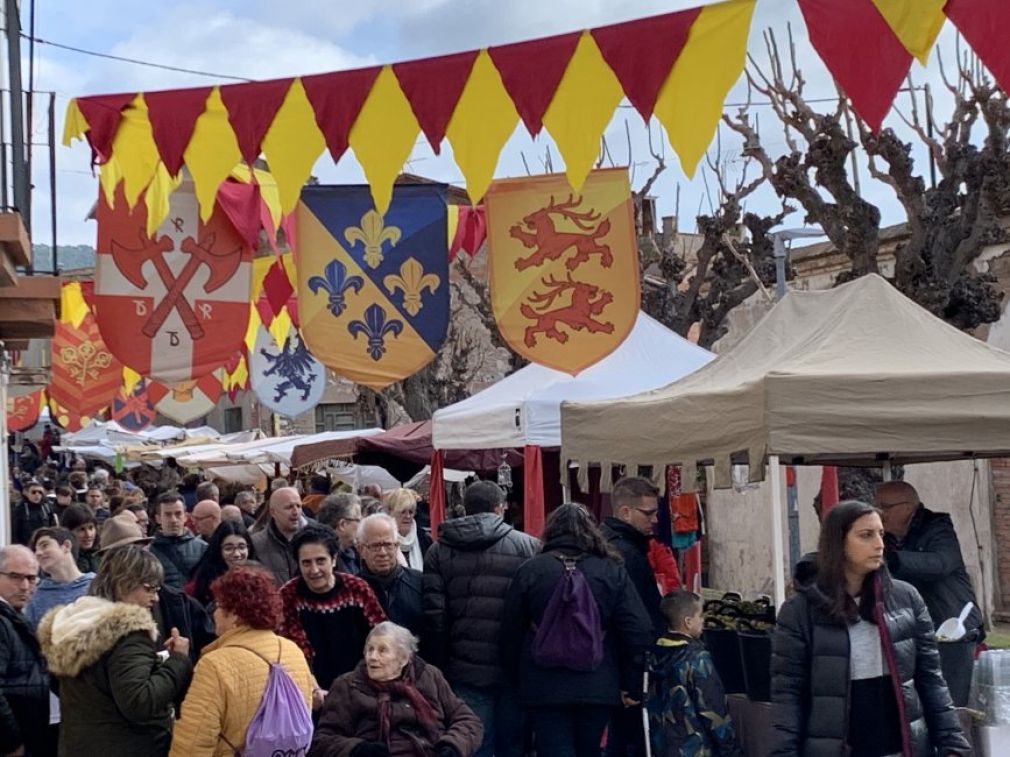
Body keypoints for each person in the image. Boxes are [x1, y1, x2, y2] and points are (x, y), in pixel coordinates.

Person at [770, 500, 970, 756]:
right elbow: (787, 695)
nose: (879, 544)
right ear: (838, 542)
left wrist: (952, 743)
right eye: (866, 535)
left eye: (881, 534)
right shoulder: (800, 611)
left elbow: (931, 681)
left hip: (901, 748)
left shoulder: (906, 598)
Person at [501, 503, 653, 757]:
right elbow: (639, 629)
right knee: (589, 749)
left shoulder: (531, 570)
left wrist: (517, 680)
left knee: (553, 748)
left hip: (543, 684)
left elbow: (510, 632)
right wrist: (630, 683)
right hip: (598, 681)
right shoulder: (611, 570)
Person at [38, 545, 194, 756]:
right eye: (149, 588)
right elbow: (140, 702)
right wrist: (178, 661)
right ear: (123, 583)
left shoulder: (73, 624)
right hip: (128, 745)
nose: (156, 598)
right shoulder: (127, 633)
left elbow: (62, 685)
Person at [423, 480, 539, 757]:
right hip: (513, 666)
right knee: (513, 744)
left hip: (463, 667)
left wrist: (439, 665)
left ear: (466, 508)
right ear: (500, 508)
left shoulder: (438, 551)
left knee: (473, 741)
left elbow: (435, 616)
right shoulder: (528, 547)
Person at [169, 567, 313, 757]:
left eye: (219, 605)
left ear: (235, 613)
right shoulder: (292, 651)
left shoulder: (215, 665)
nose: (214, 613)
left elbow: (194, 741)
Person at [876, 480, 984, 707]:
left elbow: (940, 563)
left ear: (907, 507)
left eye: (885, 507)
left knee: (951, 705)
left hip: (953, 629)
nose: (880, 514)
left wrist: (894, 560)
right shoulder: (883, 538)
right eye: (877, 507)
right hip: (913, 631)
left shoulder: (937, 526)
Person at [311, 621, 483, 757]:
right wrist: (357, 749)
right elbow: (323, 741)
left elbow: (468, 721)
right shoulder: (347, 685)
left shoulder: (429, 676)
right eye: (369, 649)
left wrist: (452, 746)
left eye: (382, 650)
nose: (372, 657)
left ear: (403, 659)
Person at [279, 525, 386, 699]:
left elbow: (381, 634)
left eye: (320, 561)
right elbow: (295, 648)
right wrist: (313, 689)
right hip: (312, 689)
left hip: (362, 685)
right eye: (306, 563)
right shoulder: (288, 595)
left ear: (334, 559)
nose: (314, 570)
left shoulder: (356, 588)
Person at [601, 476, 664, 757]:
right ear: (625, 512)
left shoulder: (608, 545)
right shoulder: (625, 554)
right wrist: (632, 679)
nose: (655, 519)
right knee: (630, 741)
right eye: (648, 513)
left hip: (611, 667)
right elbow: (634, 622)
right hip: (625, 669)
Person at [647, 591, 741, 757]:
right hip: (695, 749)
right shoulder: (697, 659)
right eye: (700, 615)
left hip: (661, 747)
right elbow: (713, 709)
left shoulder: (654, 654)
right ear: (688, 622)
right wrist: (730, 750)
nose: (703, 620)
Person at [0, 544, 56, 756]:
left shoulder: (15, 617)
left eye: (32, 578)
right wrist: (12, 743)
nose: (25, 586)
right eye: (15, 576)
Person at [358, 513, 425, 637]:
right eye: (375, 546)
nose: (383, 553)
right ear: (361, 550)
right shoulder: (353, 590)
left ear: (396, 547)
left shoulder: (420, 583)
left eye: (388, 545)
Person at [25, 527, 95, 628]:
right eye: (35, 550)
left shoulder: (96, 585)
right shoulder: (35, 595)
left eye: (44, 545)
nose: (38, 553)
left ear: (66, 546)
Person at [185, 520, 257, 606]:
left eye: (241, 547)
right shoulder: (202, 584)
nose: (236, 554)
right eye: (228, 548)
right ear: (218, 550)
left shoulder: (259, 579)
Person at [151, 491, 208, 589]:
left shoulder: (204, 548)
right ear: (158, 519)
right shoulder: (149, 553)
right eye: (168, 515)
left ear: (185, 516)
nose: (173, 520)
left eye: (178, 514)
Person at [251, 486, 306, 585]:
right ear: (273, 512)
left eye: (298, 506)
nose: (296, 512)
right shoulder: (255, 544)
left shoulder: (312, 540)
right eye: (289, 507)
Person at [317, 493, 363, 575]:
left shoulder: (355, 553)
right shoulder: (322, 559)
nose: (361, 526)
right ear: (342, 524)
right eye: (359, 521)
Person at [385, 487, 431, 569]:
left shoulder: (424, 538)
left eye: (411, 512)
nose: (408, 516)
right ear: (391, 512)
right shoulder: (382, 539)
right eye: (403, 512)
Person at [12, 480, 57, 546]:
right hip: (26, 545)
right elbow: (15, 531)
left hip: (44, 543)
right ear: (26, 493)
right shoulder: (20, 509)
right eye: (33, 492)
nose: (37, 495)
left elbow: (53, 526)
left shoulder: (47, 506)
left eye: (40, 492)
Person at [61, 503, 101, 573]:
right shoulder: (62, 561)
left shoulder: (102, 555)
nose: (88, 534)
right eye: (81, 529)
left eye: (91, 528)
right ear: (68, 532)